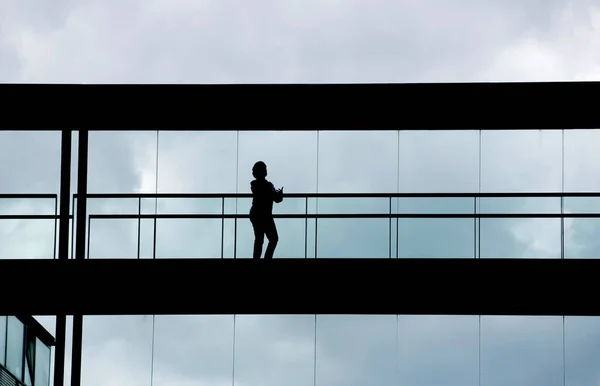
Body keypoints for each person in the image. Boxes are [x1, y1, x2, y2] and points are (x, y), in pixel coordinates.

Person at [249, 161, 283, 259]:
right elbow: (277, 199)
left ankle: (257, 260)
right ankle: (267, 259)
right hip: (265, 215)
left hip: (256, 214)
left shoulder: (254, 184)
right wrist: (279, 194)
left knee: (259, 239)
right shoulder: (267, 185)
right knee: (273, 239)